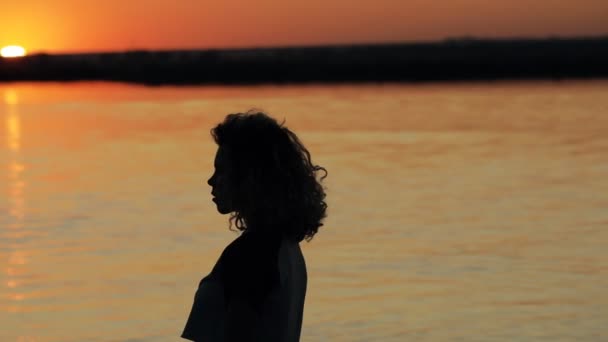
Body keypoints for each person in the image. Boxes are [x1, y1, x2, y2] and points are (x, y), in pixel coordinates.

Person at [181, 111, 328, 342]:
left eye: (221, 170)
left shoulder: (250, 254)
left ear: (249, 177)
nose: (211, 180)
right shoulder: (286, 247)